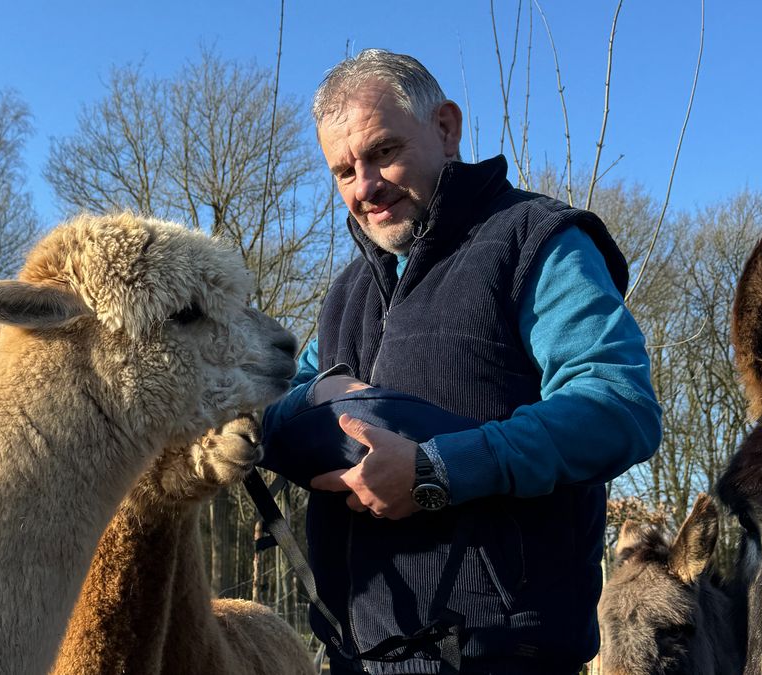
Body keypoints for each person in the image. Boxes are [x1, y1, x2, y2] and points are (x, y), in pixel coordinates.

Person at [260, 49, 662, 675]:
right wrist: (316, 398)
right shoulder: (347, 291)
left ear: (446, 128)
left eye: (383, 151)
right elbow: (275, 412)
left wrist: (436, 471)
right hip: (355, 652)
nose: (365, 188)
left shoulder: (536, 240)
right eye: (343, 171)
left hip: (499, 652)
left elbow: (618, 405)